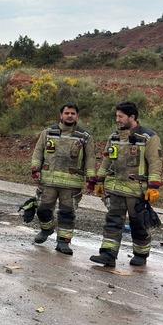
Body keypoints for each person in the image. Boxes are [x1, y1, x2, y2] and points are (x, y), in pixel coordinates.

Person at [90, 102, 163, 268]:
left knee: (138, 223)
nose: (117, 120)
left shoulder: (148, 138)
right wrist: (99, 180)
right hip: (115, 188)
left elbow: (155, 163)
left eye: (121, 116)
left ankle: (141, 254)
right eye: (116, 116)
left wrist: (153, 187)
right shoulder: (114, 137)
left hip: (137, 190)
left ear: (132, 117)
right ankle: (107, 255)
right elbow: (106, 160)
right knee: (113, 221)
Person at [29, 103, 96, 255]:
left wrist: (91, 179)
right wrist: (35, 169)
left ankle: (63, 242)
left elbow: (90, 159)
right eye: (67, 113)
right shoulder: (48, 132)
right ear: (61, 115)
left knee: (67, 213)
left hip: (72, 183)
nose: (70, 115)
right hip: (48, 181)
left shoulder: (84, 137)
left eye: (73, 113)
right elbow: (38, 152)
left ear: (77, 117)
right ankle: (46, 229)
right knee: (43, 209)